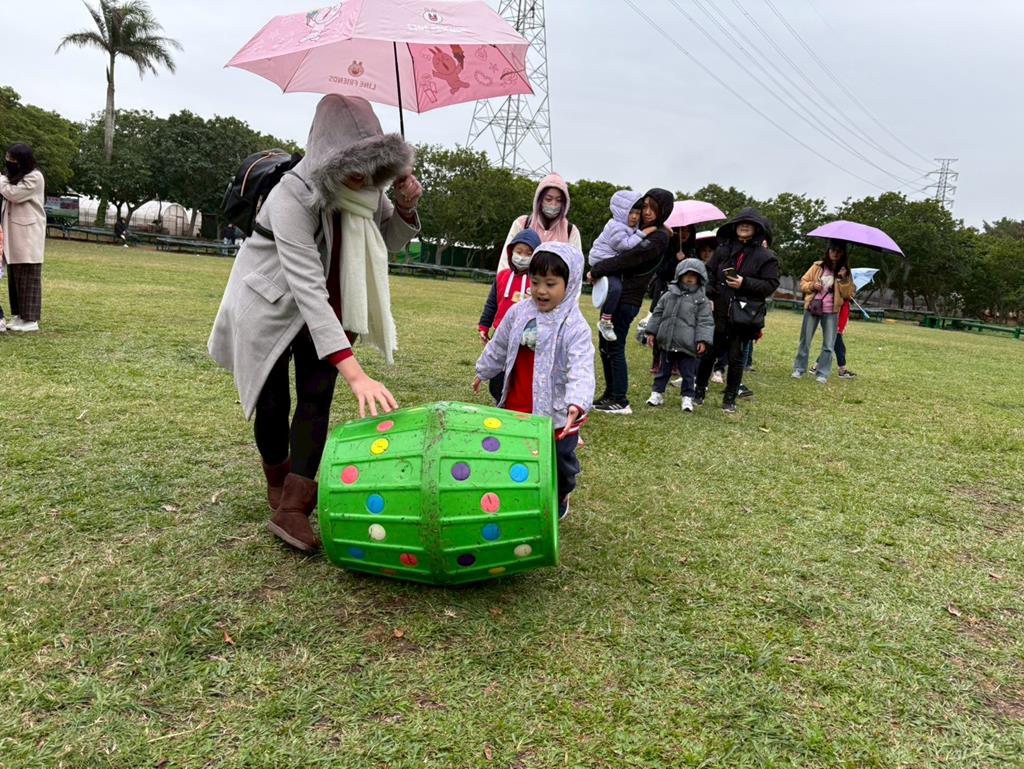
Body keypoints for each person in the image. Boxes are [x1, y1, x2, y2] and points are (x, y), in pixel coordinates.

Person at [208, 95, 422, 553]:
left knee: (317, 392)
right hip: (268, 301)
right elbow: (306, 286)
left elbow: (388, 240)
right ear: (329, 156)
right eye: (353, 165)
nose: (363, 177)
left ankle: (295, 504)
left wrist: (404, 207)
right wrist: (357, 374)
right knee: (271, 402)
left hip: (332, 299)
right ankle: (278, 476)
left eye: (373, 165)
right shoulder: (292, 194)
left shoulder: (370, 191)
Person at [474, 242, 594, 520]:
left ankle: (562, 492)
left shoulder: (574, 325)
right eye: (536, 281)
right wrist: (483, 370)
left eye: (550, 284)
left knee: (560, 461)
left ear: (570, 284)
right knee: (514, 454)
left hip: (557, 415)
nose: (541, 290)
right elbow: (499, 344)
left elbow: (581, 366)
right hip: (518, 404)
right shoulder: (519, 312)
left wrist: (576, 402)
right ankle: (521, 495)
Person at [589, 188, 675, 415]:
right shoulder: (643, 229)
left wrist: (597, 269)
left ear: (663, 211)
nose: (646, 212)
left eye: (653, 208)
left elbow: (629, 258)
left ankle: (620, 399)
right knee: (605, 345)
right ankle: (610, 394)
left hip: (628, 297)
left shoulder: (659, 237)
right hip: (614, 294)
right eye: (644, 206)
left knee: (615, 346)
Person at [695, 207, 780, 413]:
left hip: (743, 315)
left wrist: (744, 283)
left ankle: (730, 398)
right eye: (741, 223)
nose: (744, 226)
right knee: (708, 353)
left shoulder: (766, 256)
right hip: (717, 311)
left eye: (749, 224)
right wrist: (709, 293)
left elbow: (770, 284)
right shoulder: (723, 250)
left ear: (757, 229)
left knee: (735, 357)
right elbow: (707, 273)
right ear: (734, 227)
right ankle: (698, 392)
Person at [477, 228, 542, 402]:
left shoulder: (537, 281)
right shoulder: (502, 276)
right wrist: (484, 326)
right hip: (501, 335)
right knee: (497, 376)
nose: (522, 257)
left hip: (525, 339)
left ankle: (516, 402)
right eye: (519, 251)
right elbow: (492, 303)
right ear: (511, 251)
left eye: (528, 253)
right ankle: (499, 400)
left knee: (518, 374)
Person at [644, 258, 714, 412]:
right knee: (663, 372)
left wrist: (702, 340)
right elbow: (657, 314)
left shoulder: (702, 300)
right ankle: (657, 393)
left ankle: (687, 397)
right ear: (679, 275)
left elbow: (705, 322)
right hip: (667, 342)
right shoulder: (668, 295)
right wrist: (651, 332)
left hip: (688, 345)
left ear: (700, 278)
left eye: (693, 275)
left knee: (688, 374)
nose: (689, 278)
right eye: (686, 274)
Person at [792, 239, 855, 383]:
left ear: (843, 254)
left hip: (832, 311)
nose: (835, 253)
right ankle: (799, 369)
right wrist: (813, 285)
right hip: (813, 307)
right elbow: (803, 283)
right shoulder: (817, 266)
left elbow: (848, 294)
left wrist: (842, 279)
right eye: (833, 250)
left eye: (839, 251)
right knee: (805, 340)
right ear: (828, 251)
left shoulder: (845, 272)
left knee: (829, 344)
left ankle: (822, 373)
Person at [1, 143, 46, 333]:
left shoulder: (34, 177)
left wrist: (1, 180)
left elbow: (14, 194)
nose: (8, 162)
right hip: (14, 233)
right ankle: (20, 315)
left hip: (28, 234)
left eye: (11, 159)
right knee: (15, 276)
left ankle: (31, 319)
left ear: (22, 161)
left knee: (28, 276)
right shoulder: (16, 177)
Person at [587, 189, 644, 341]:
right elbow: (625, 246)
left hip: (610, 262)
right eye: (631, 212)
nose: (634, 216)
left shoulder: (629, 227)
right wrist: (643, 233)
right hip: (602, 261)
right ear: (621, 212)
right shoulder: (616, 226)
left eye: (638, 213)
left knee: (618, 287)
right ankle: (605, 321)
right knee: (616, 288)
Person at [496, 173, 582, 272]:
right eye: (548, 199)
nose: (553, 204)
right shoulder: (522, 223)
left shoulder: (570, 231)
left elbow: (576, 270)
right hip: (517, 281)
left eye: (559, 200)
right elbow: (505, 262)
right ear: (539, 200)